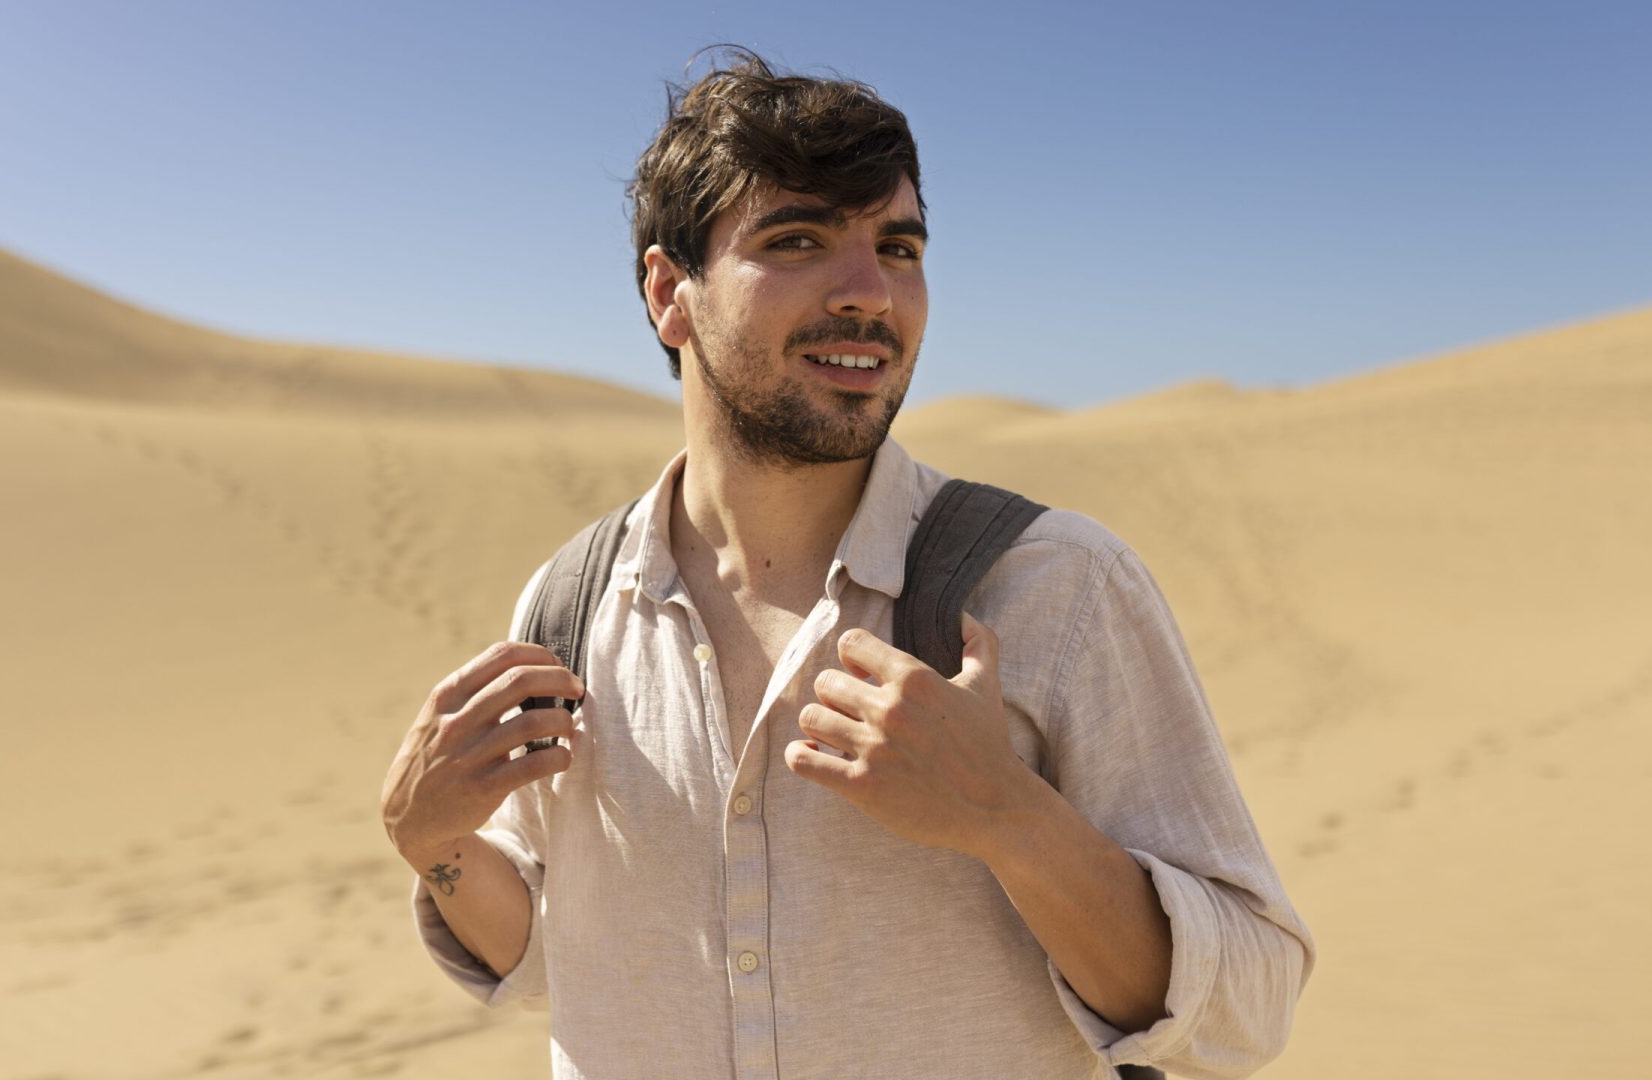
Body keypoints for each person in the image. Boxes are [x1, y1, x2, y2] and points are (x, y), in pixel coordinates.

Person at [380, 49, 1315, 1079]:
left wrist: (1007, 817)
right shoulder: (571, 603)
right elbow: (566, 961)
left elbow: (1247, 1008)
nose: (871, 292)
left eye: (899, 246)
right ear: (669, 293)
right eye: (799, 240)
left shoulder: (1059, 587)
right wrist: (436, 843)